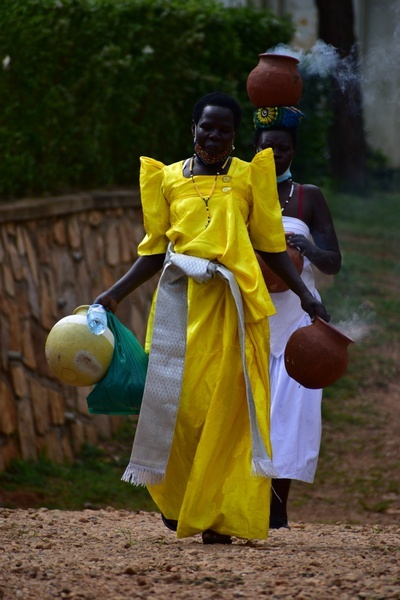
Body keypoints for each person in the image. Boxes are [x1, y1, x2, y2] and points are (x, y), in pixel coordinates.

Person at [94, 92, 329, 544]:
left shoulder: (248, 177)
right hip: (179, 311)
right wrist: (114, 294)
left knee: (229, 415)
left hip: (235, 310)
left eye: (224, 129)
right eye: (208, 127)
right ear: (194, 128)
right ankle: (182, 500)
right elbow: (153, 251)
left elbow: (270, 247)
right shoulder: (165, 179)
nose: (215, 135)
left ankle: (218, 514)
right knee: (176, 409)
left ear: (235, 136)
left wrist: (305, 296)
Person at [253, 106, 342, 529]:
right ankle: (242, 500)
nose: (276, 156)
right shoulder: (241, 193)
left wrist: (303, 249)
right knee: (249, 409)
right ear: (256, 151)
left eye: (284, 149)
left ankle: (276, 509)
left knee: (290, 412)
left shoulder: (309, 197)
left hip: (298, 320)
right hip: (251, 314)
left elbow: (333, 262)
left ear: (294, 151)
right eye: (268, 149)